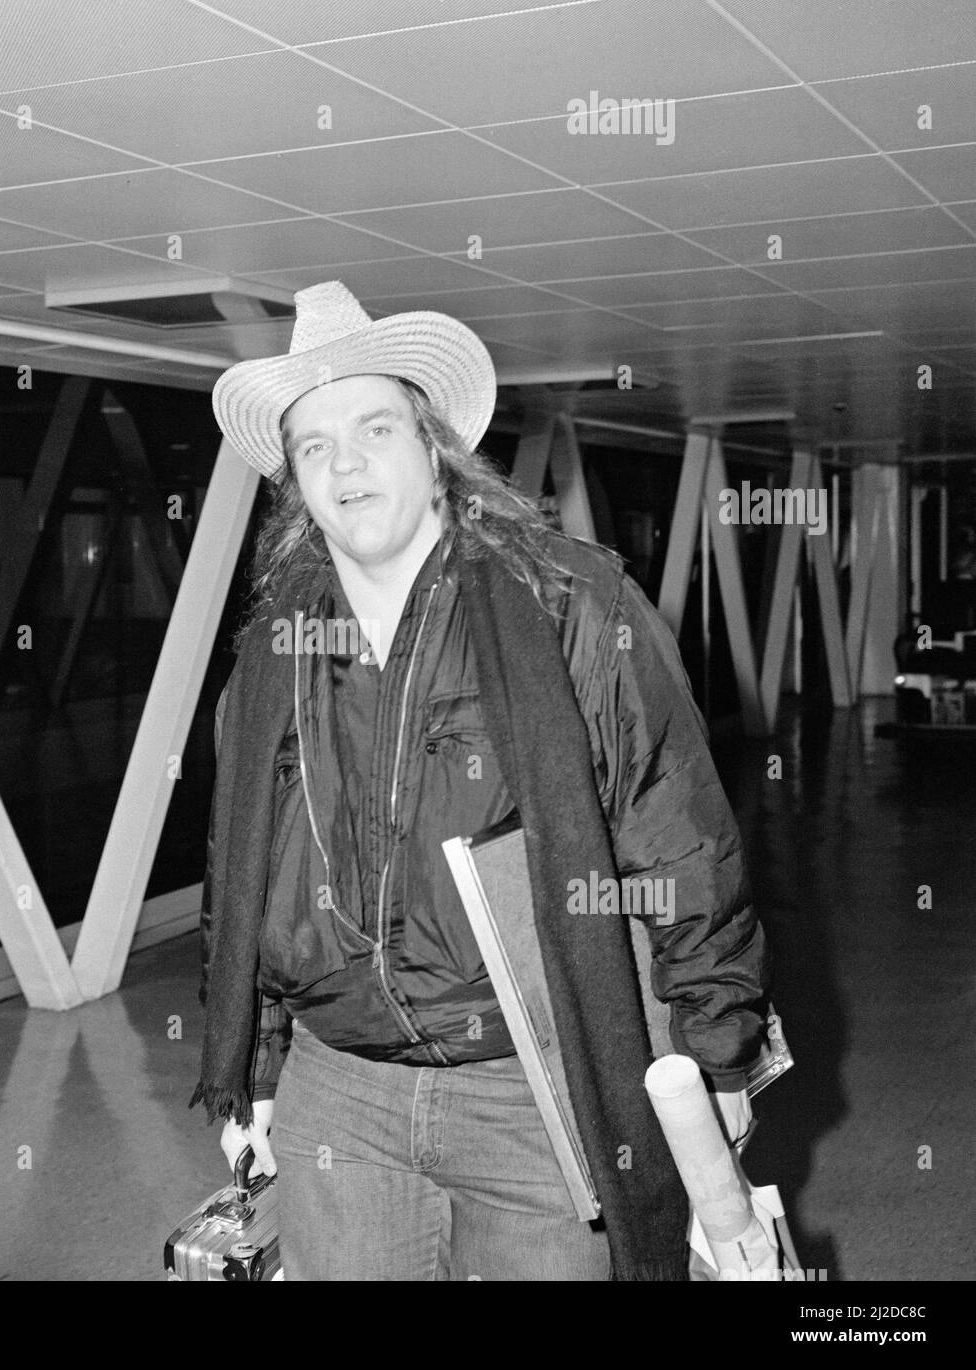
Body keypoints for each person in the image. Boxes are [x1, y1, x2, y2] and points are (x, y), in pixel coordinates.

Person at [188, 281, 770, 1281]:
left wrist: (719, 1053)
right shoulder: (272, 645)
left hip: (533, 1085)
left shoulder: (566, 603)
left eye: (373, 426)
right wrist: (255, 1066)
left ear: (432, 445)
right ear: (294, 479)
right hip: (341, 1092)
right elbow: (244, 868)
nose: (346, 463)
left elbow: (673, 834)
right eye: (314, 444)